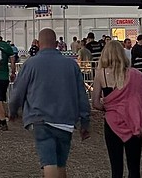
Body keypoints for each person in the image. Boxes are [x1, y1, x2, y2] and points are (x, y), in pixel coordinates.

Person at [9, 28, 91, 178]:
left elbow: (17, 92)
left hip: (40, 119)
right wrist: (85, 122)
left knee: (49, 162)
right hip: (65, 120)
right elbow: (82, 96)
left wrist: (13, 111)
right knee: (61, 163)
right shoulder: (71, 65)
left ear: (39, 43)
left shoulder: (31, 64)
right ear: (56, 44)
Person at [91, 40, 142, 178]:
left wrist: (108, 108)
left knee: (116, 168)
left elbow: (95, 102)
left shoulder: (100, 74)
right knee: (134, 167)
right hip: (133, 122)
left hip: (112, 123)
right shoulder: (136, 74)